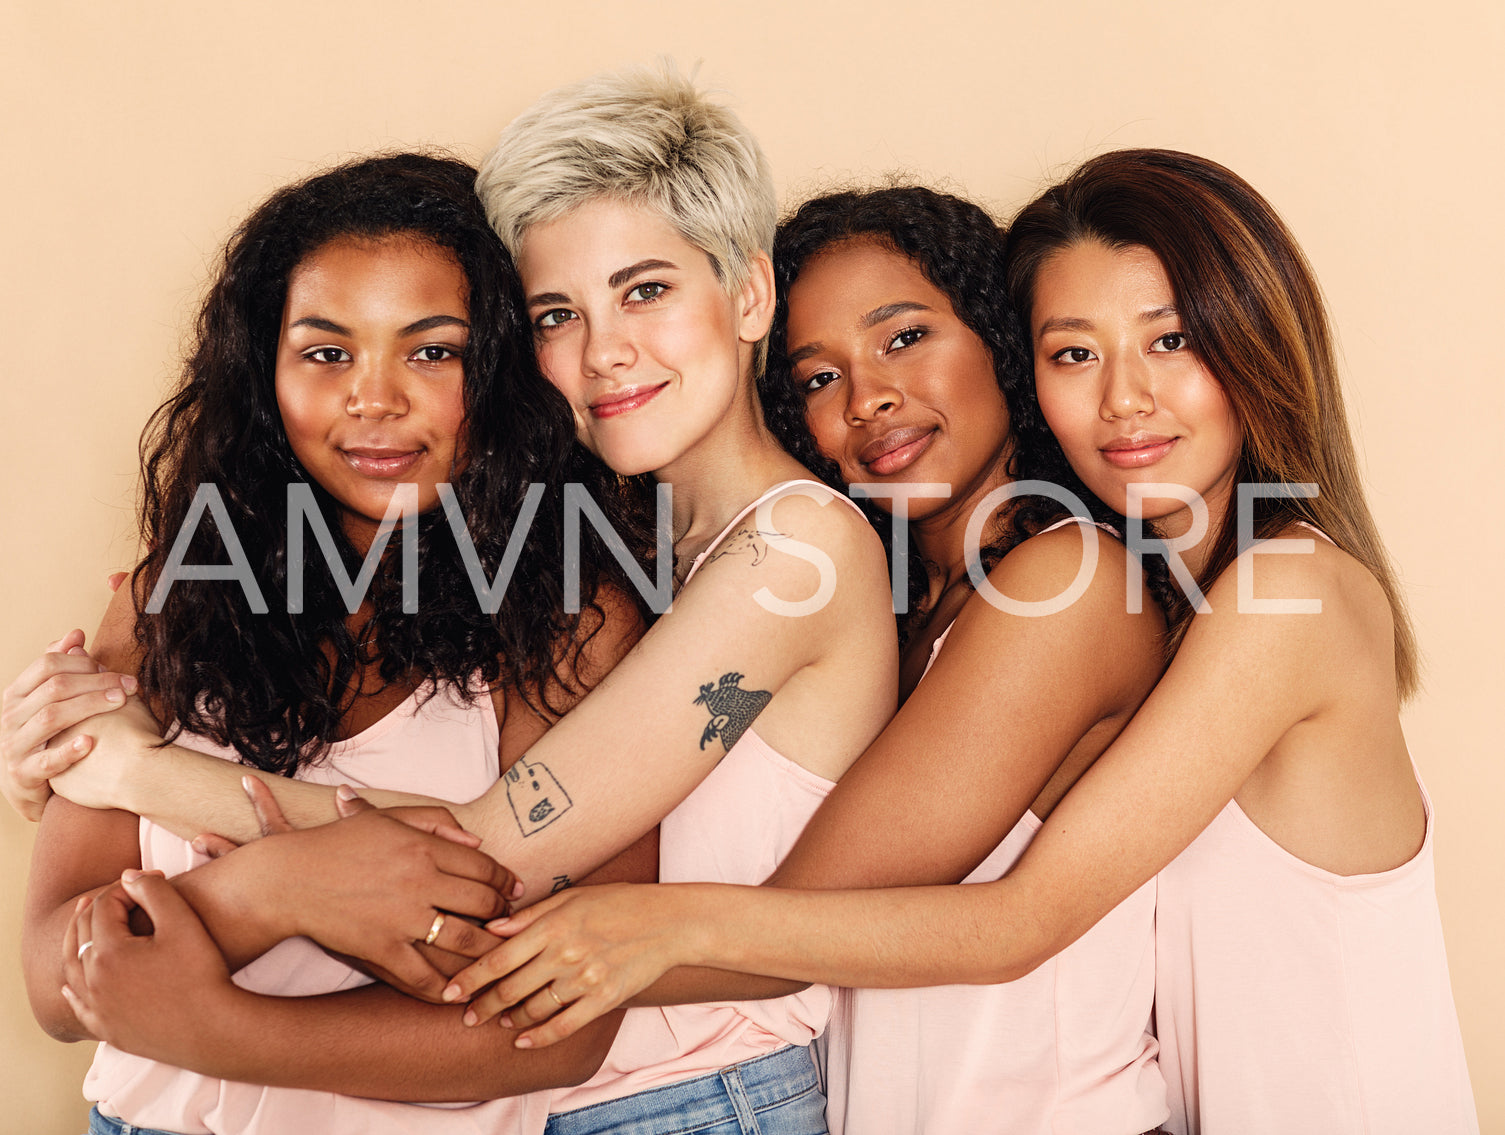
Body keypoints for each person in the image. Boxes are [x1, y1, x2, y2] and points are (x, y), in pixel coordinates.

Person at [424, 152, 1479, 1133]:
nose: (1122, 397)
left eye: (1170, 339)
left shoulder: (1274, 590)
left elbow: (1017, 920)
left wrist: (645, 927)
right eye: (1076, 353)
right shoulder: (1017, 606)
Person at [7, 67, 897, 1134]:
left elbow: (487, 860)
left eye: (645, 289)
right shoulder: (613, 522)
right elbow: (60, 963)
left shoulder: (784, 553)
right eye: (558, 313)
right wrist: (68, 761)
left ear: (747, 295)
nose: (603, 347)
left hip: (685, 1090)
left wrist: (146, 776)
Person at [440, 184, 1177, 1134]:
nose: (867, 398)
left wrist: (605, 929)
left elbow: (807, 924)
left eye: (904, 337)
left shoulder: (1066, 582)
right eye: (819, 377)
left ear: (999, 341)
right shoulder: (922, 602)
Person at [19, 152, 660, 1134]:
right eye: (326, 353)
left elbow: (561, 1023)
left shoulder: (566, 617)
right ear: (263, 370)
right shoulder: (170, 597)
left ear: (499, 373)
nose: (374, 398)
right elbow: (53, 985)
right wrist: (268, 892)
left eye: (431, 351)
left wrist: (220, 1021)